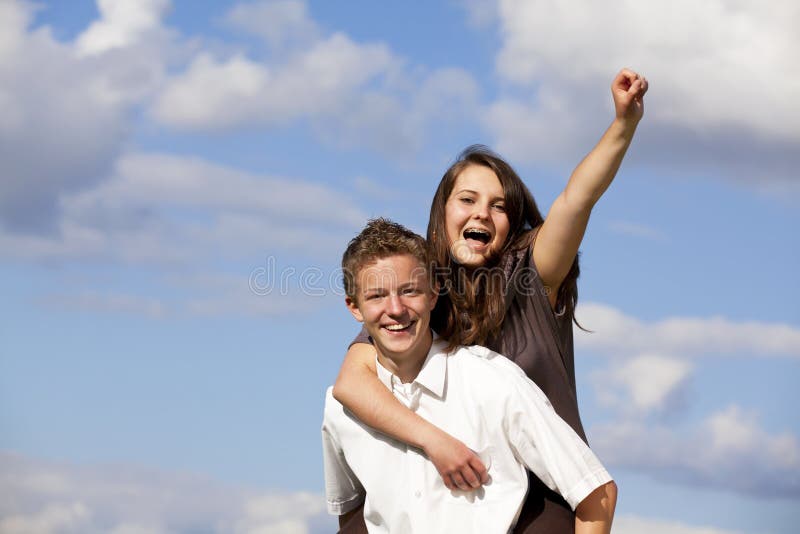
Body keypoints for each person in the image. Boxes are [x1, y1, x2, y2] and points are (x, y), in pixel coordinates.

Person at [333, 68, 648, 533]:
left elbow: (576, 200)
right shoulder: (415, 298)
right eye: (468, 199)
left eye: (499, 206)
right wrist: (436, 442)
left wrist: (623, 124)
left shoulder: (531, 275)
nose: (482, 212)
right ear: (442, 211)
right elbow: (351, 385)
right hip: (460, 494)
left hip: (543, 500)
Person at [323, 219, 617, 534]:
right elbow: (350, 514)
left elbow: (596, 492)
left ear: (433, 294)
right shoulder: (338, 410)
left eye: (409, 291)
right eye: (377, 296)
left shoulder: (493, 382)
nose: (395, 309)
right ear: (354, 307)